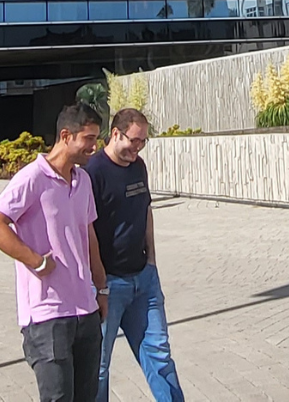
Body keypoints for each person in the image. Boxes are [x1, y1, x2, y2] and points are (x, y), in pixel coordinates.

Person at [0, 103, 109, 402]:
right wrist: (36, 261)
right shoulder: (32, 178)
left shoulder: (83, 180)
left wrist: (101, 288)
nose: (94, 147)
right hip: (47, 316)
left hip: (85, 310)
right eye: (88, 139)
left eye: (96, 138)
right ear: (66, 136)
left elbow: (88, 233)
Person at [86, 108, 184, 402]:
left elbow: (146, 210)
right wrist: (99, 282)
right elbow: (85, 229)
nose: (137, 148)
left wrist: (151, 261)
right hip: (109, 286)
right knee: (98, 367)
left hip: (144, 280)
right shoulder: (92, 172)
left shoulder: (138, 166)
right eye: (134, 140)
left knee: (160, 356)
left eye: (143, 142)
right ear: (116, 134)